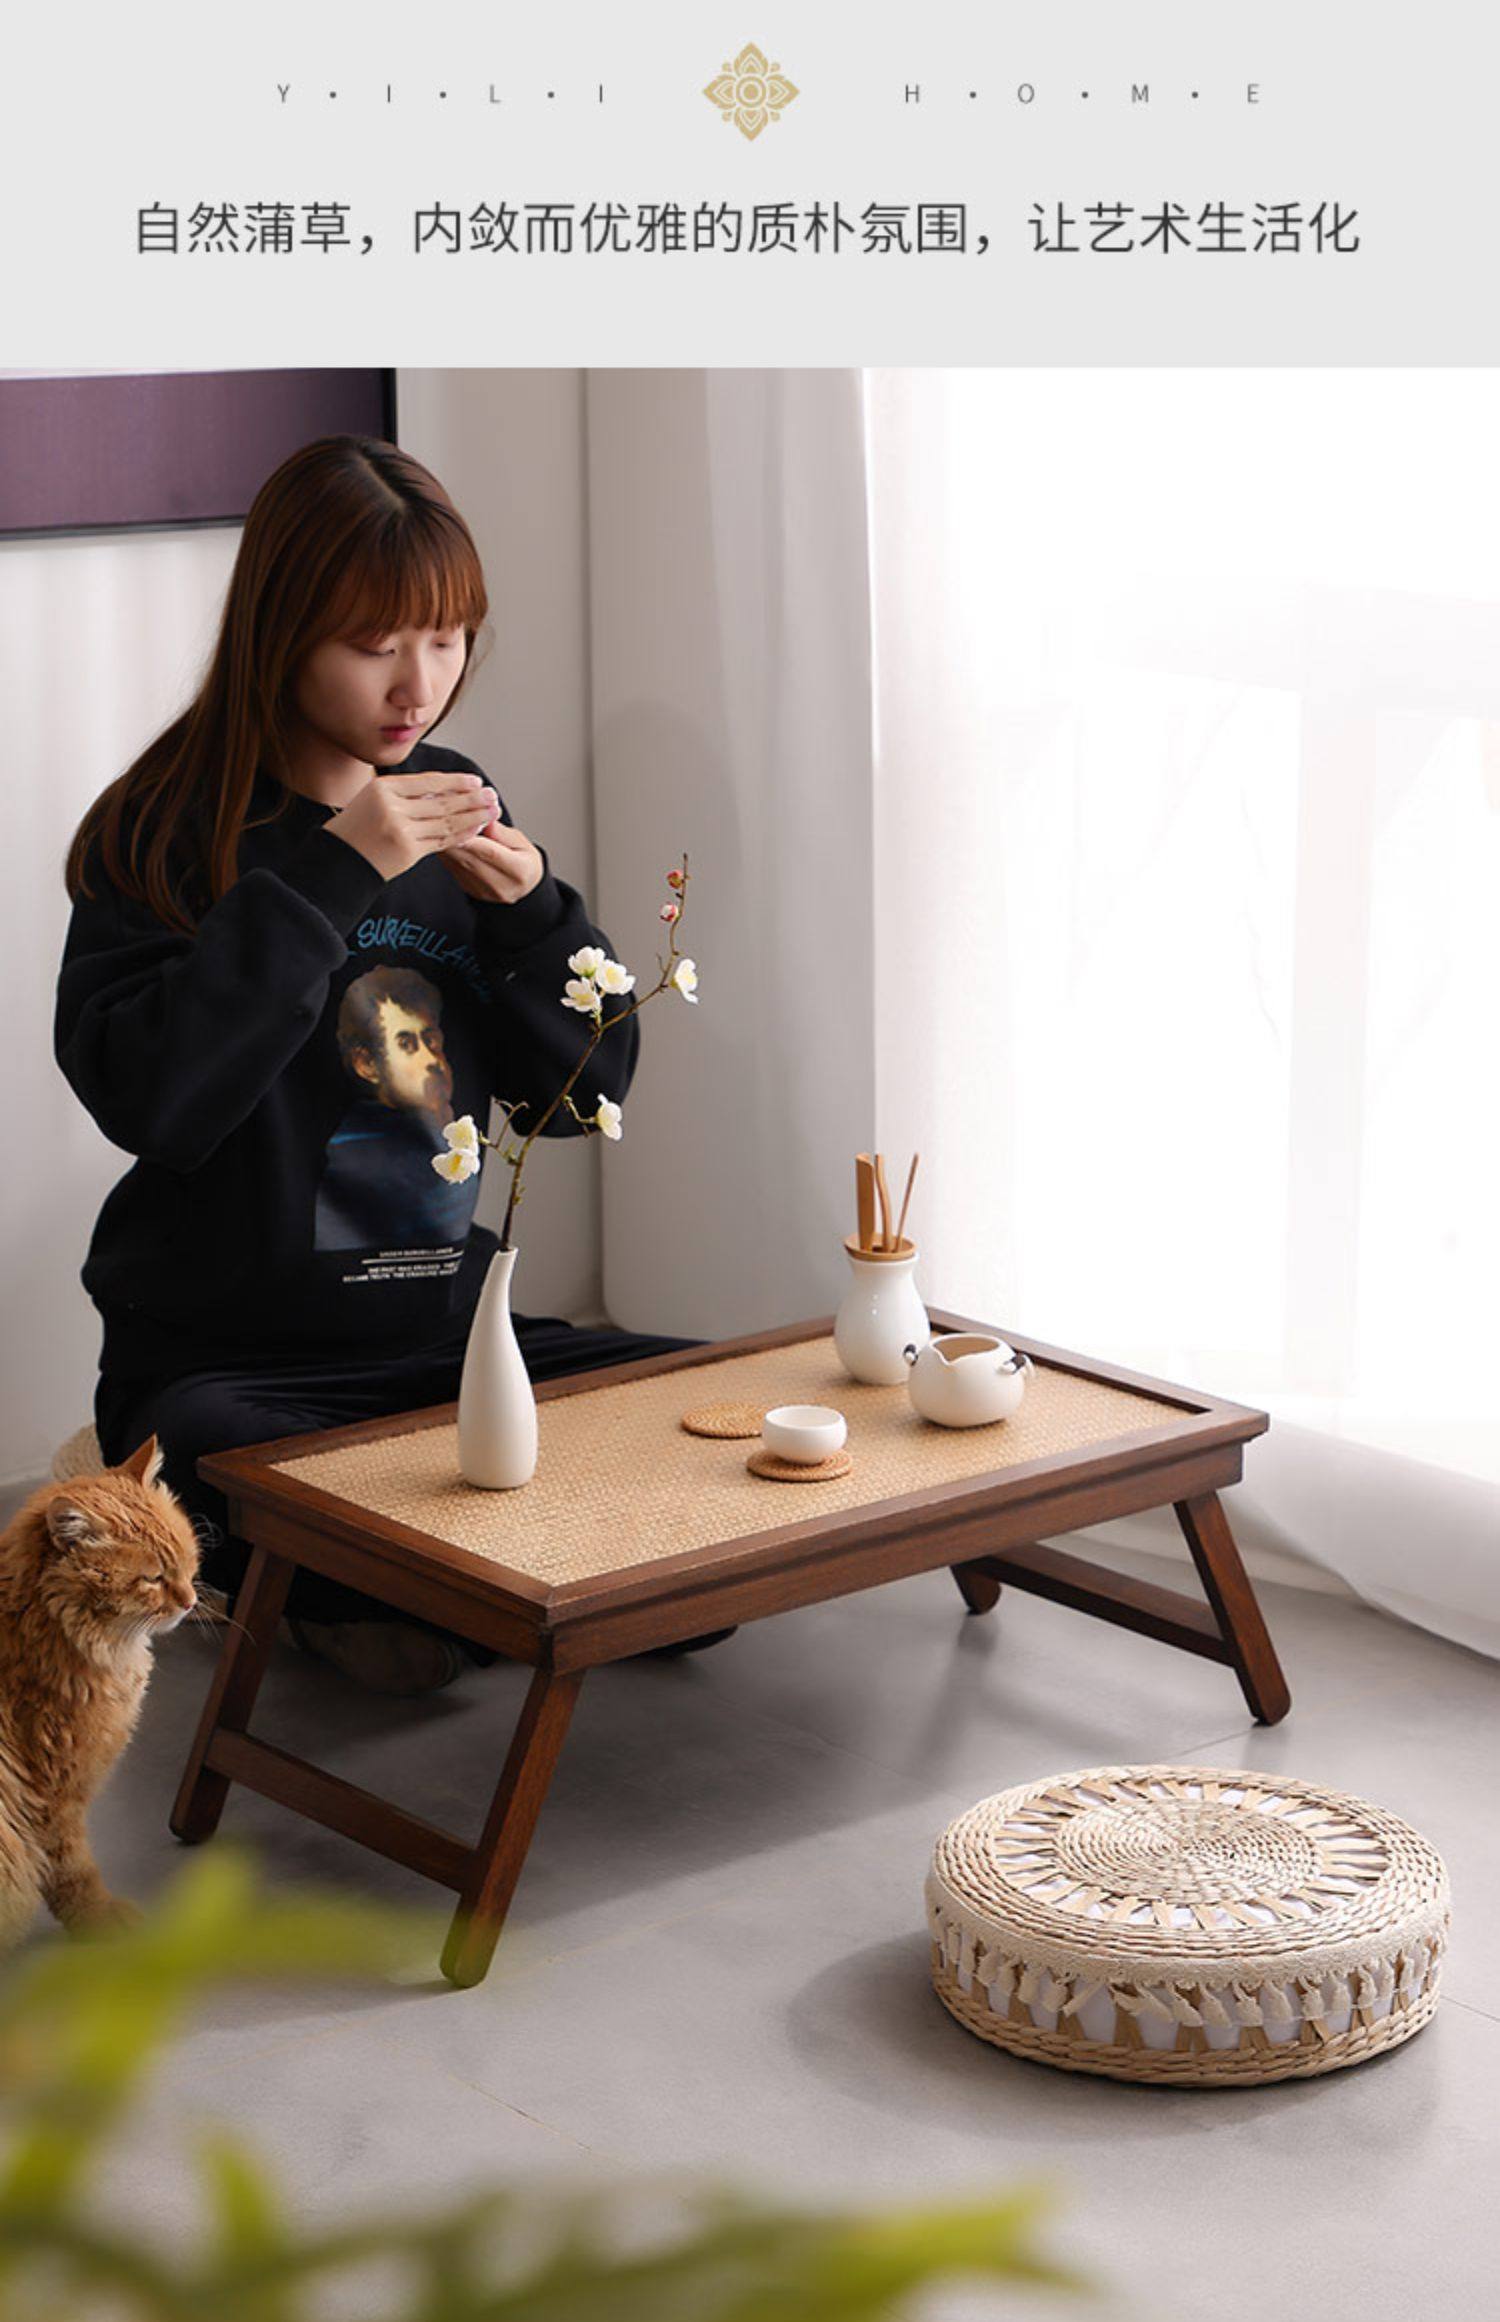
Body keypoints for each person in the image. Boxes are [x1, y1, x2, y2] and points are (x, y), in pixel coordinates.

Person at [55, 433, 708, 1695]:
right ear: (281, 633)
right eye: (375, 645)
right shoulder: (160, 830)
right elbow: (158, 1104)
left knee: (698, 1418)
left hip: (448, 1342)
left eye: (449, 639)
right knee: (224, 1466)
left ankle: (404, 1581)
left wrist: (538, 920)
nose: (421, 686)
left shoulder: (457, 794)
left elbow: (581, 1103)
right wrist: (336, 870)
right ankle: (402, 1580)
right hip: (231, 1372)